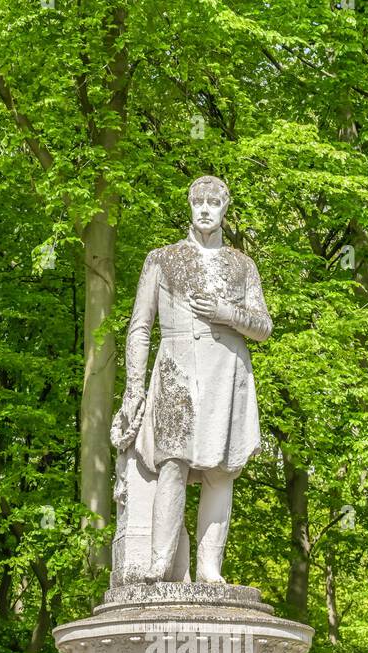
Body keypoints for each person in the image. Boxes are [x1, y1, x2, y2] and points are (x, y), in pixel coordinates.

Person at [111, 175, 272, 583]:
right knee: (173, 464)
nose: (204, 208)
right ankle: (161, 562)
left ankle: (210, 569)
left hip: (226, 371)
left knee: (222, 469)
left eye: (213, 202)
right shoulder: (162, 259)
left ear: (225, 207)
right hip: (176, 368)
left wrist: (226, 312)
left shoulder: (242, 265)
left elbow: (263, 326)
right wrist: (134, 388)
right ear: (189, 204)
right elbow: (140, 327)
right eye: (198, 200)